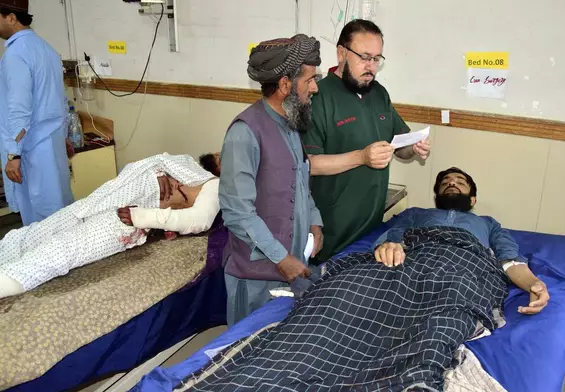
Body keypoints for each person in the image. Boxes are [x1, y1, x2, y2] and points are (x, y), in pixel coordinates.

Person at [0, 153, 220, 299]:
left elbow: (197, 220)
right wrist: (158, 171)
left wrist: (140, 217)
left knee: (64, 249)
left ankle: (9, 281)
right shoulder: (188, 162)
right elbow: (158, 158)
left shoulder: (217, 186)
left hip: (127, 218)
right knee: (45, 229)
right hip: (116, 192)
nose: (222, 153)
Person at [303, 19, 431, 262]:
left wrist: (414, 147)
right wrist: (361, 157)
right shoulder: (318, 96)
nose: (371, 66)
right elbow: (309, 163)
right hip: (330, 228)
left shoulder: (379, 93)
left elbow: (398, 147)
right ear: (341, 53)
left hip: (370, 227)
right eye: (364, 57)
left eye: (377, 59)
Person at [219, 34, 324, 326]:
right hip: (256, 277)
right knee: (246, 359)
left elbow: (300, 182)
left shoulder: (291, 124)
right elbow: (237, 213)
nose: (315, 87)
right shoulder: (244, 133)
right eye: (309, 80)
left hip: (290, 268)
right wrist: (281, 258)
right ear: (285, 85)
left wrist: (315, 221)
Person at [373, 167, 550, 315]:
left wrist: (533, 284)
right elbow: (395, 234)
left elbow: (509, 258)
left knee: (453, 302)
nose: (451, 183)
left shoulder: (488, 223)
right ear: (437, 198)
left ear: (473, 199)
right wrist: (389, 245)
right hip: (414, 260)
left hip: (464, 268)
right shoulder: (416, 214)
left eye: (460, 182)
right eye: (445, 183)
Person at [0, 0, 73, 225]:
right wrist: (65, 136)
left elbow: (19, 108)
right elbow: (59, 100)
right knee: (59, 206)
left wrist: (14, 154)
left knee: (40, 216)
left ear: (11, 18)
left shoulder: (16, 55)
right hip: (52, 143)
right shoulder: (47, 49)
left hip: (30, 149)